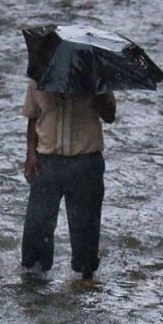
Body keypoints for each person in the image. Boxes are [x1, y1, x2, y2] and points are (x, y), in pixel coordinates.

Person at [21, 76, 116, 280]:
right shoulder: (40, 74)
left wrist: (96, 91)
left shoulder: (95, 75)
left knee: (86, 226)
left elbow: (110, 115)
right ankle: (34, 273)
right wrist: (31, 154)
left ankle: (85, 276)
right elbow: (33, 116)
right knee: (37, 223)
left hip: (86, 161)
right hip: (47, 160)